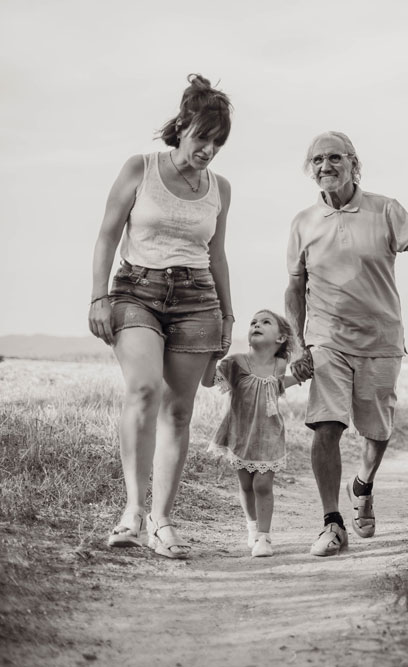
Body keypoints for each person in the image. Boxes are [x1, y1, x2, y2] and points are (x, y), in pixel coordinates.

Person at [88, 74, 234, 560]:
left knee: (179, 411)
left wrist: (228, 316)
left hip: (198, 299)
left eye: (217, 142)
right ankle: (132, 511)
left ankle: (162, 521)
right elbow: (108, 235)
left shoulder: (221, 188)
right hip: (137, 292)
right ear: (182, 127)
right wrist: (97, 297)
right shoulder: (140, 168)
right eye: (201, 138)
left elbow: (217, 254)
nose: (208, 150)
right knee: (144, 387)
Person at [285, 131, 408, 557]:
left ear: (354, 163)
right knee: (326, 425)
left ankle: (364, 483)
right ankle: (332, 523)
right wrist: (298, 344)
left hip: (380, 339)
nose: (325, 167)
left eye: (334, 158)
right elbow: (294, 287)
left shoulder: (385, 209)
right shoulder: (303, 222)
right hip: (327, 339)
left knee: (376, 432)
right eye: (316, 160)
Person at [202, 310, 301, 557]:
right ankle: (252, 528)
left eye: (265, 322)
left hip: (269, 433)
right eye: (253, 322)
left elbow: (275, 386)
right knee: (246, 485)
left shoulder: (280, 364)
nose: (256, 324)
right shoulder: (235, 362)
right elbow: (207, 382)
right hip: (241, 432)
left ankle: (265, 537)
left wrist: (298, 377)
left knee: (262, 484)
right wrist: (212, 357)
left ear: (280, 338)